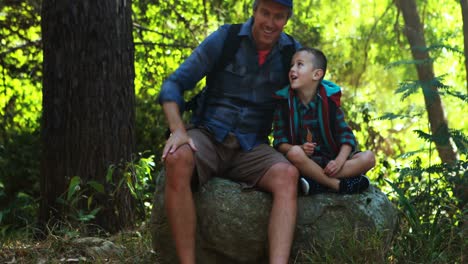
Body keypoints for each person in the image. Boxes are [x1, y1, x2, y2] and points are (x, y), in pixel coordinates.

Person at [158, 0, 301, 263]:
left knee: (287, 175)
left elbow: (311, 99)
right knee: (177, 157)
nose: (270, 22)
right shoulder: (226, 38)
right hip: (209, 136)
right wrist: (177, 130)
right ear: (254, 10)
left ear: (287, 19)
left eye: (278, 16)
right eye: (265, 13)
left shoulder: (291, 52)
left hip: (251, 147)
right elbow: (173, 85)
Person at [273, 47, 376, 195]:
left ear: (317, 74)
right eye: (291, 65)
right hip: (304, 163)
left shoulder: (329, 102)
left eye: (299, 64)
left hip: (332, 162)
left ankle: (317, 182)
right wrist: (301, 148)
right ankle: (337, 185)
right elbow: (279, 142)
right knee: (294, 152)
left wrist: (339, 161)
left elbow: (346, 138)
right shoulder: (284, 103)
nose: (292, 69)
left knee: (368, 158)